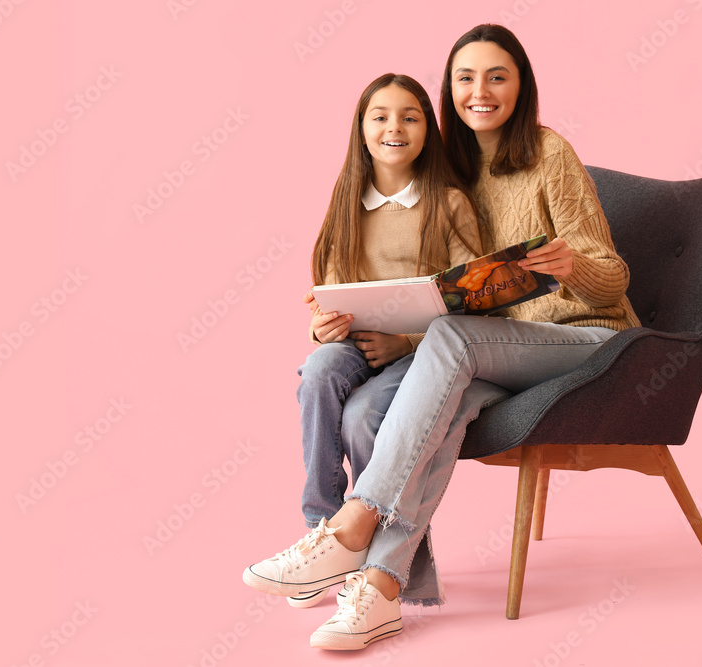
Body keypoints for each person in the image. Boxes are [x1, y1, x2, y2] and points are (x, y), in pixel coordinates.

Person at [243, 24, 640, 651]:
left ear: (521, 86)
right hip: (498, 345)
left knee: (451, 338)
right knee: (375, 408)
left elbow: (613, 278)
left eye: (497, 76)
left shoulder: (547, 152)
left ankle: (349, 527)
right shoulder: (446, 169)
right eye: (465, 77)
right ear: (448, 90)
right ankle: (381, 589)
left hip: (588, 337)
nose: (479, 91)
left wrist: (574, 267)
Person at [240, 73, 480, 609]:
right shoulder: (346, 199)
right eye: (381, 116)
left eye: (410, 116)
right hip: (355, 343)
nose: (394, 126)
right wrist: (320, 328)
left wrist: (406, 340)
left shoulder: (449, 205)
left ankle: (387, 565)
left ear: (427, 130)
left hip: (421, 355)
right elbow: (326, 291)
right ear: (362, 128)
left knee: (362, 417)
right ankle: (319, 532)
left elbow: (474, 299)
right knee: (319, 370)